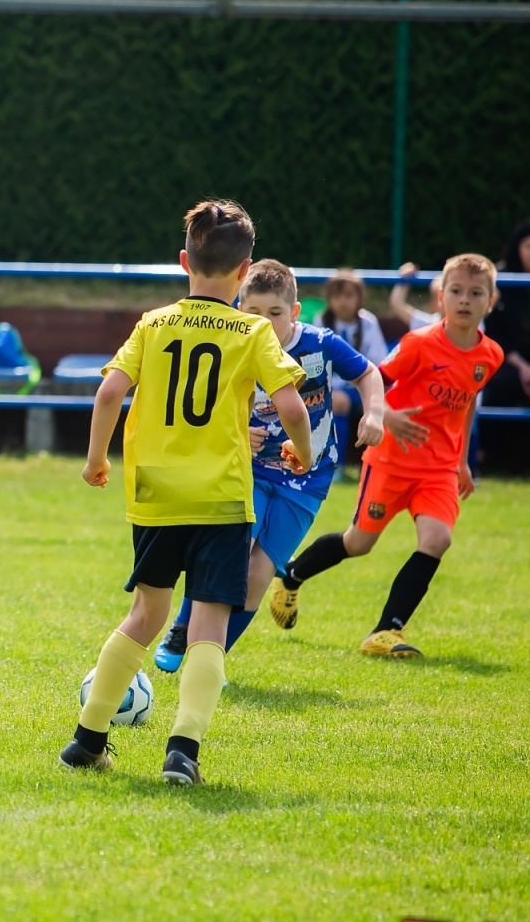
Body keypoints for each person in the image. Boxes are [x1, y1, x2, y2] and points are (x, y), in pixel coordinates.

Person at [58, 201, 311, 787]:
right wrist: (302, 450)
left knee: (146, 613)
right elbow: (292, 405)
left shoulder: (153, 322)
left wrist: (97, 460)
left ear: (183, 261)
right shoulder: (251, 331)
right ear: (245, 271)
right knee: (209, 626)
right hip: (220, 499)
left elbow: (107, 395)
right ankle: (182, 753)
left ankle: (86, 740)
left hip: (155, 496)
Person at [153, 259, 384, 672]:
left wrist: (374, 414)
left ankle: (209, 660)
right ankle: (183, 627)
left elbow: (368, 374)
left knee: (257, 580)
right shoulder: (232, 348)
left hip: (307, 479)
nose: (264, 321)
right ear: (240, 309)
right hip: (252, 469)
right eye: (253, 312)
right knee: (228, 554)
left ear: (294, 313)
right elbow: (209, 405)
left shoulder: (320, 344)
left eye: (275, 313)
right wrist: (240, 428)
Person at [271, 254, 504, 659]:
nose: (465, 300)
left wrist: (462, 460)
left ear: (491, 301)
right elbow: (374, 381)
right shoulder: (419, 345)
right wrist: (388, 416)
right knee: (359, 542)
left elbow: (467, 402)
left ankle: (385, 632)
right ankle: (292, 574)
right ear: (439, 298)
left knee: (437, 539)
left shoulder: (491, 355)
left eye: (476, 293)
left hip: (438, 469)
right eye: (456, 291)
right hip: (391, 461)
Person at [483, 218, 530, 410]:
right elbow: (492, 329)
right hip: (507, 358)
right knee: (499, 384)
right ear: (517, 247)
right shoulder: (497, 279)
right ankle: (488, 440)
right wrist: (521, 365)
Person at [320, 270, 388, 447]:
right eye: (337, 296)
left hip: (362, 386)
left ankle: (373, 459)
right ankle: (338, 465)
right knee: (338, 401)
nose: (343, 301)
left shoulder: (368, 322)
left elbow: (378, 361)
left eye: (349, 295)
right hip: (332, 387)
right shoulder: (321, 320)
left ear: (359, 297)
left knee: (389, 404)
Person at [389, 261, 442, 331]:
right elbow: (397, 303)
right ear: (432, 306)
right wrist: (405, 278)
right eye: (440, 297)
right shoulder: (430, 324)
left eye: (456, 292)